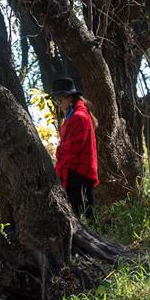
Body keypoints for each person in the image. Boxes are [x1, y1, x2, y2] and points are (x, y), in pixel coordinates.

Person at [51, 77, 98, 222]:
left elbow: (73, 148)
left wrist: (58, 152)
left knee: (77, 218)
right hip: (80, 171)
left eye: (60, 98)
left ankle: (91, 243)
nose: (58, 102)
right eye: (56, 99)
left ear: (70, 97)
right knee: (88, 216)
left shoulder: (79, 116)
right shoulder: (75, 115)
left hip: (78, 173)